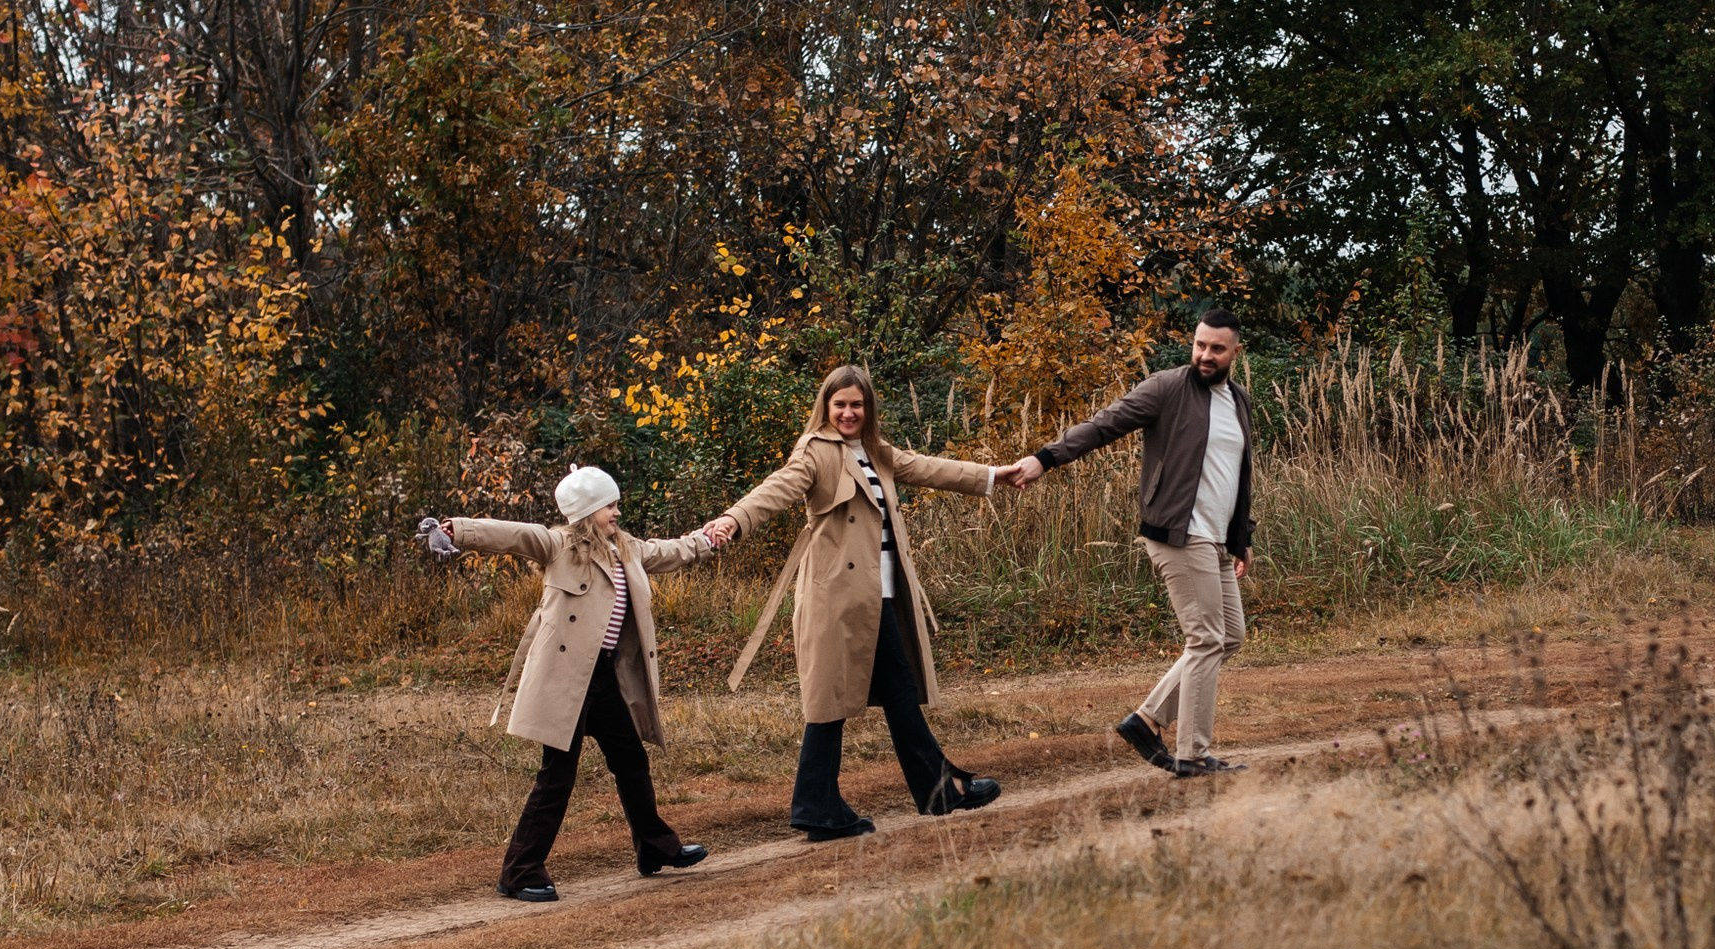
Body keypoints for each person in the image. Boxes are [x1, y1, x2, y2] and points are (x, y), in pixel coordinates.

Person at [702, 365, 1012, 839]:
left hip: (878, 594)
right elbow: (776, 489)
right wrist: (733, 519)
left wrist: (994, 475)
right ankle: (826, 804)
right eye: (840, 404)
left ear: (868, 409)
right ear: (826, 407)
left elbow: (928, 467)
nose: (848, 412)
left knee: (899, 692)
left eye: (857, 405)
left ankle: (925, 791)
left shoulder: (874, 450)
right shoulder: (816, 452)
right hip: (838, 597)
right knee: (830, 702)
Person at [416, 468, 716, 902]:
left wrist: (708, 540)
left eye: (615, 504)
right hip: (566, 680)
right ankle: (519, 872)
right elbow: (515, 535)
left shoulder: (625, 549)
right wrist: (456, 530)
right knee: (557, 777)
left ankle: (653, 845)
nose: (617, 512)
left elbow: (668, 551)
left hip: (604, 678)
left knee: (632, 761)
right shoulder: (559, 545)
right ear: (587, 512)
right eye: (609, 506)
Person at [1009, 307, 1253, 778]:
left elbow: (1237, 478)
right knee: (1205, 639)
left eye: (1216, 348)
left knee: (1231, 637)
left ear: (1234, 352)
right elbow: (1104, 424)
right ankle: (1191, 754)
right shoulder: (1167, 388)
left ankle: (1146, 721)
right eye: (1200, 345)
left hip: (1217, 539)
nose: (1205, 355)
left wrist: (1242, 537)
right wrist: (1045, 458)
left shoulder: (1239, 401)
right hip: (1178, 534)